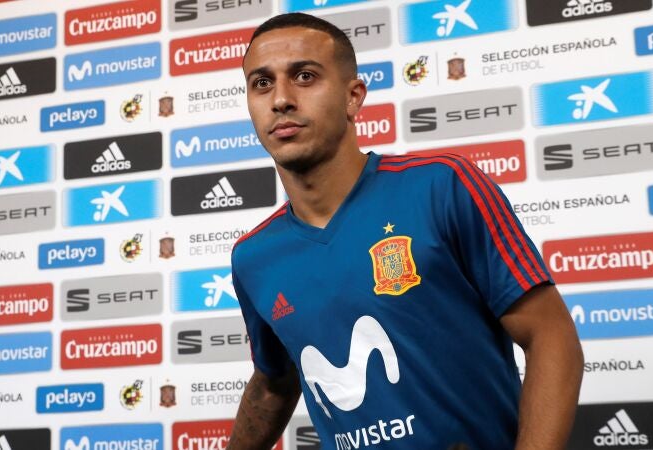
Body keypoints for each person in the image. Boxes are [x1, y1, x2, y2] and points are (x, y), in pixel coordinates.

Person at [228, 12, 584, 450]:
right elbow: (274, 383)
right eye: (262, 83)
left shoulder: (443, 186)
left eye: (305, 76)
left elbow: (550, 336)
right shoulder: (254, 257)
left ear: (353, 97)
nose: (281, 99)